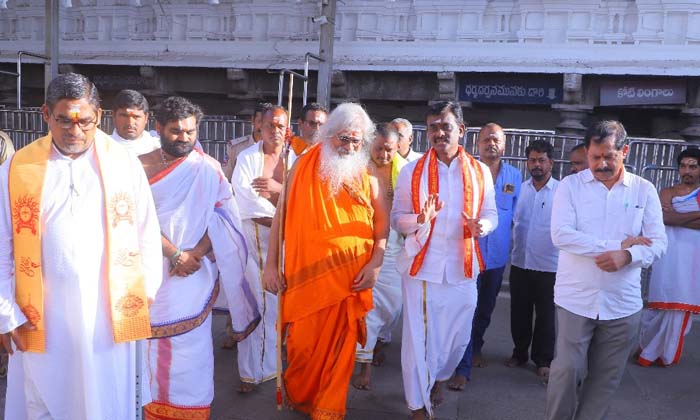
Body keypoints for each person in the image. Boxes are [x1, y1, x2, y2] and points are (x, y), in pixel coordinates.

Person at [0, 73, 163, 419]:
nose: (75, 132)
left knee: (104, 402)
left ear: (99, 116)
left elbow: (147, 232)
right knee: (41, 401)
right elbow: (1, 244)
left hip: (106, 317)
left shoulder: (123, 163)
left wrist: (144, 290)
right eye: (64, 121)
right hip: (40, 318)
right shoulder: (18, 168)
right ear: (45, 114)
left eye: (85, 122)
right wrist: (4, 313)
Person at [262, 102, 389, 420]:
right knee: (302, 348)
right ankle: (304, 400)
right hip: (305, 281)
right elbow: (281, 217)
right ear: (329, 135)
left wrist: (375, 264)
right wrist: (270, 264)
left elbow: (382, 227)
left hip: (349, 283)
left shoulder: (369, 178)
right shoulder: (303, 168)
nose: (348, 146)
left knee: (340, 352)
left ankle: (328, 411)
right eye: (343, 138)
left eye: (355, 141)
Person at [139, 96, 259, 419]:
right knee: (146, 352)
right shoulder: (137, 168)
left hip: (193, 276)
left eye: (191, 131)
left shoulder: (208, 169)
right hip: (150, 276)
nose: (185, 137)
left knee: (193, 352)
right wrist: (174, 253)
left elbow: (225, 218)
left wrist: (195, 254)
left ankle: (190, 410)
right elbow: (131, 221)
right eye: (176, 131)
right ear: (159, 128)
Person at [545, 120, 667, 420]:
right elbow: (561, 235)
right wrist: (615, 245)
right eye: (594, 157)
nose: (600, 164)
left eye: (608, 156)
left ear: (624, 151)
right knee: (566, 372)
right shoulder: (570, 187)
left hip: (622, 304)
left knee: (605, 380)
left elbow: (659, 242)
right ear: (587, 153)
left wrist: (627, 255)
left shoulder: (644, 190)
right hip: (576, 299)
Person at [393, 102, 497, 420]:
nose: (439, 133)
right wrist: (419, 219)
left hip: (463, 268)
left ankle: (437, 378)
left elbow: (490, 213)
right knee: (419, 339)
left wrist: (483, 226)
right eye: (433, 127)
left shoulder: (480, 172)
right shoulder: (413, 171)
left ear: (461, 130)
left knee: (457, 338)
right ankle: (417, 405)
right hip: (422, 267)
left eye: (445, 126)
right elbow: (398, 219)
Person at [449, 122, 521, 390]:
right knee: (465, 309)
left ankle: (475, 346)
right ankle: (461, 367)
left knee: (485, 311)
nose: (492, 144)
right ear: (477, 144)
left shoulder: (514, 176)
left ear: (504, 145)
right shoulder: (467, 173)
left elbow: (516, 217)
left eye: (497, 140)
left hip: (497, 258)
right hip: (469, 255)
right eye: (487, 139)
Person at [232, 105, 297, 393]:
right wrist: (283, 216)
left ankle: (277, 366)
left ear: (288, 128)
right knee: (260, 304)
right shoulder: (248, 158)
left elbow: (304, 199)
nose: (275, 131)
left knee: (285, 305)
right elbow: (246, 202)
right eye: (270, 125)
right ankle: (252, 372)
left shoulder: (297, 159)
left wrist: (277, 190)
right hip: (259, 239)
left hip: (292, 241)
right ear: (260, 126)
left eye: (280, 126)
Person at [352, 123, 407, 390]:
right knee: (367, 309)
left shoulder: (406, 173)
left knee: (393, 305)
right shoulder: (357, 169)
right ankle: (365, 368)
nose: (383, 154)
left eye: (389, 150)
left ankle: (381, 342)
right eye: (378, 148)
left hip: (394, 246)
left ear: (397, 149)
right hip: (363, 244)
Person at [638, 147, 700, 367]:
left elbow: (673, 217)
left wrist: (677, 215)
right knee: (658, 304)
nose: (687, 171)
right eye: (683, 166)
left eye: (693, 166)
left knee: (681, 304)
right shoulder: (668, 191)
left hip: (693, 259)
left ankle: (664, 353)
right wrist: (695, 214)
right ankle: (647, 347)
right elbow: (665, 219)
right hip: (668, 255)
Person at [505, 140, 559, 383]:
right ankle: (519, 353)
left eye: (541, 160)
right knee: (519, 313)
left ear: (551, 163)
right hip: (520, 262)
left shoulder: (561, 192)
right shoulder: (519, 188)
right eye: (532, 160)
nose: (536, 165)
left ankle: (544, 360)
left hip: (550, 266)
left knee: (546, 315)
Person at [222, 102, 272, 180]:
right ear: (252, 120)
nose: (263, 127)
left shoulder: (278, 149)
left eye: (268, 123)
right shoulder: (235, 147)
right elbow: (225, 178)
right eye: (260, 122)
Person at [110, 89, 160, 155]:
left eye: (136, 117)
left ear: (146, 118)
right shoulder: (100, 148)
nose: (130, 123)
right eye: (124, 116)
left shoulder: (158, 148)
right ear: (114, 116)